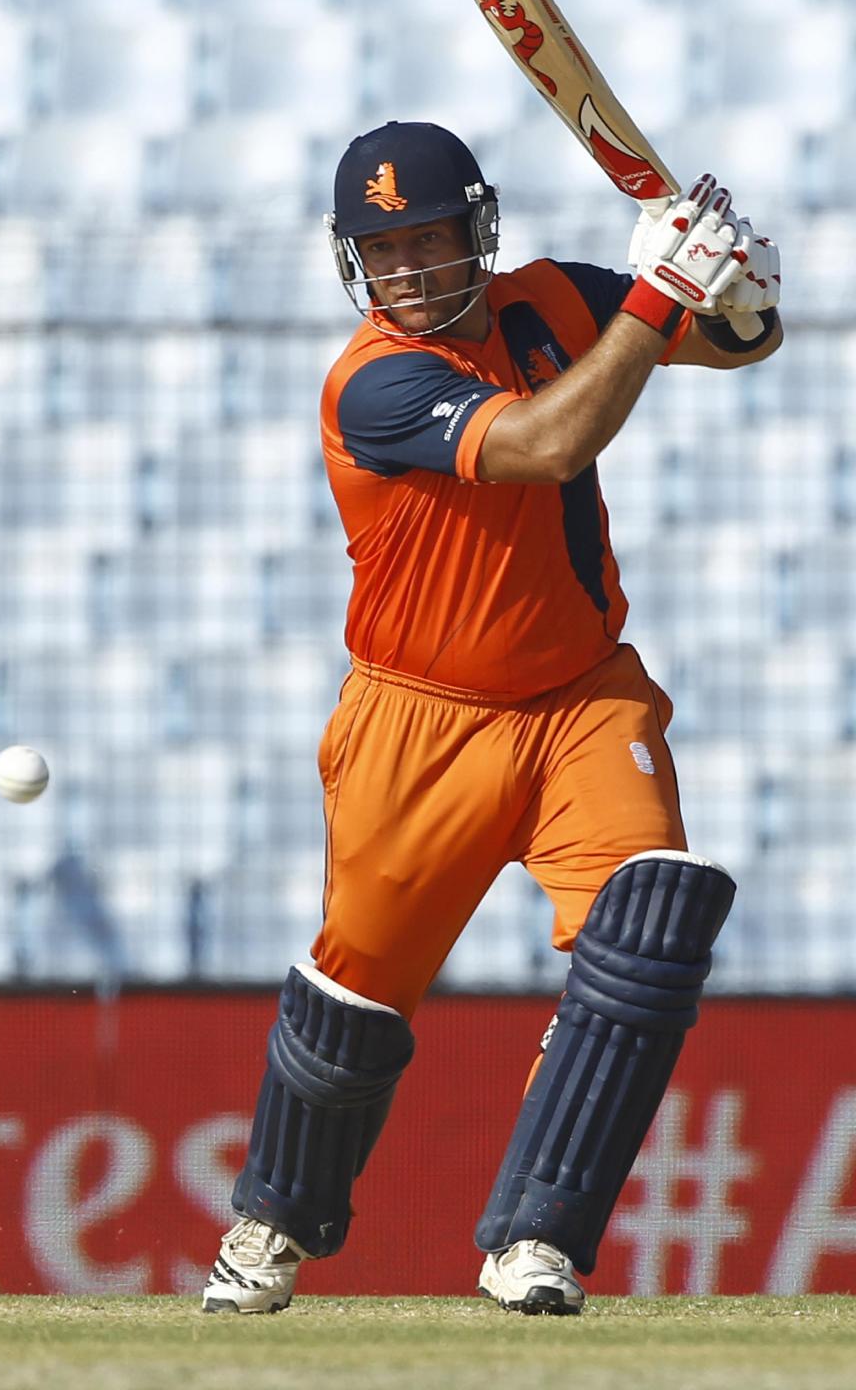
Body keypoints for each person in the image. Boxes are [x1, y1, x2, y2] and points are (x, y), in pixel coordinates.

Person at [202, 121, 782, 1316]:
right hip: (418, 722)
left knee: (650, 918)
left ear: (481, 229)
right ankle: (270, 1224)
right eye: (386, 250)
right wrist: (671, 291)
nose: (410, 270)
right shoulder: (373, 380)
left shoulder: (555, 298)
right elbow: (551, 437)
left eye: (430, 239)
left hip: (579, 694)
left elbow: (727, 344)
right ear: (353, 261)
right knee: (359, 988)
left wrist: (742, 297)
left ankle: (538, 1241)